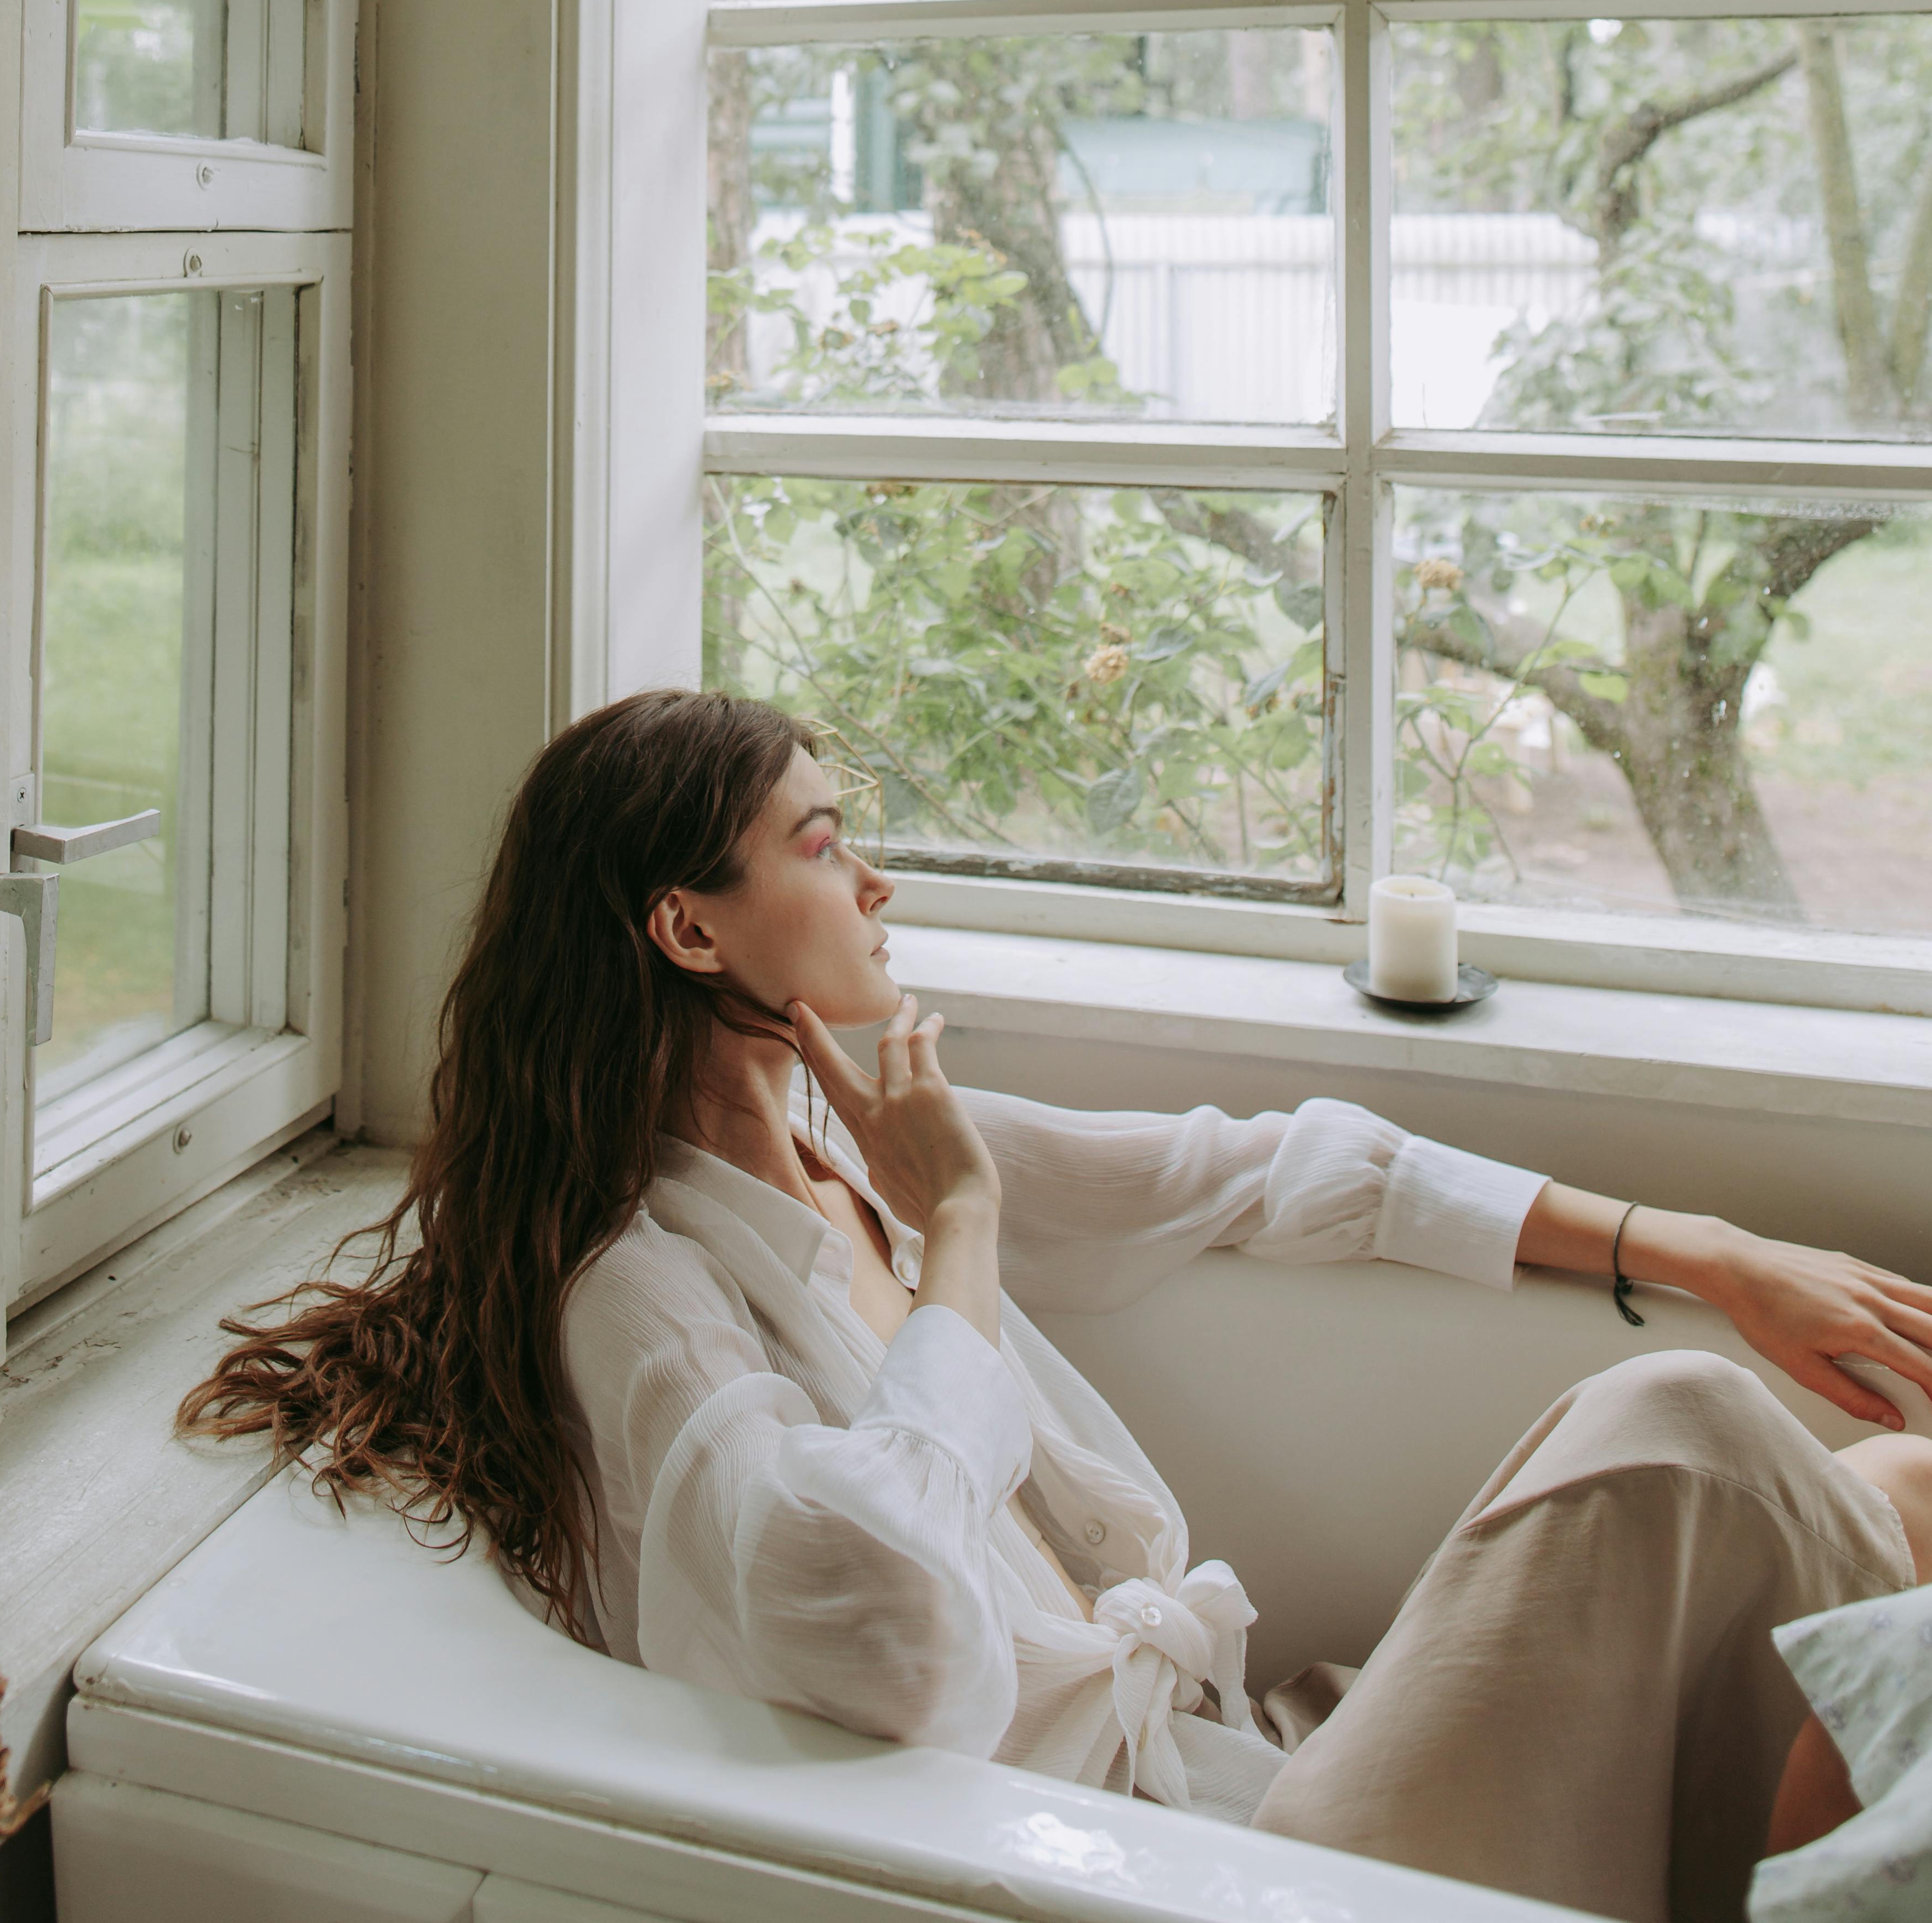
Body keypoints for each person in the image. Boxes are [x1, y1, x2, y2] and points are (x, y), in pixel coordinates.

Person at [181, 689, 1932, 1923]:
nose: (877, 886)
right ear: (690, 931)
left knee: (1888, 1488)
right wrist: (961, 1222)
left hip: (1252, 1768)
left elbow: (1269, 1170)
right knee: (1678, 1425)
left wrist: (1701, 1251)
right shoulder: (643, 1289)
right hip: (1175, 1872)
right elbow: (874, 1607)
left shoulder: (844, 1148)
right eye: (822, 840)